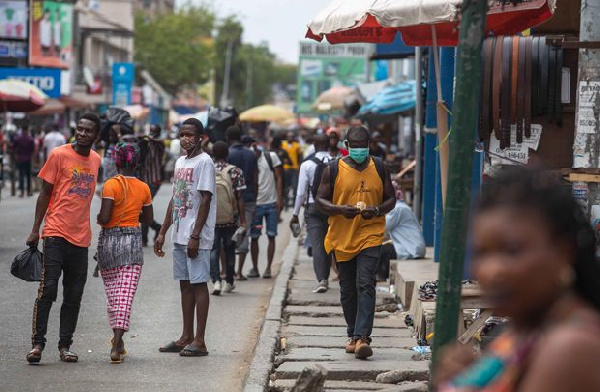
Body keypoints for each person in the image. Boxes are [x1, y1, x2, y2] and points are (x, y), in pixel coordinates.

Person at [434, 167, 600, 392]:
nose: (493, 271)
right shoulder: (523, 336)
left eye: (512, 251)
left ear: (563, 252)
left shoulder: (569, 348)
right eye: (481, 253)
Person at [25, 113, 102, 364]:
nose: (82, 133)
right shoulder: (58, 154)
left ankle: (65, 346)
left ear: (95, 135)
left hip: (81, 238)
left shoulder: (96, 160)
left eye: (87, 130)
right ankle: (37, 344)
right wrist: (36, 228)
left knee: (74, 295)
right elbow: (45, 193)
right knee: (47, 289)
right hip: (55, 232)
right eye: (79, 129)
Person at [316, 125, 395, 360]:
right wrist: (340, 210)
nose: (359, 151)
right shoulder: (332, 169)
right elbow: (320, 199)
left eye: (363, 147)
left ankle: (363, 338)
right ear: (346, 147)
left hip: (370, 233)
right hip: (342, 236)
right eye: (355, 147)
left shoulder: (379, 167)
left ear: (369, 145)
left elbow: (391, 199)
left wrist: (377, 209)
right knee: (348, 289)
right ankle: (352, 334)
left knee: (366, 283)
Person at [154, 118, 215, 357]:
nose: (185, 139)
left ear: (201, 137)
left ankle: (200, 340)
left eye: (190, 135)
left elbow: (206, 200)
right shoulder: (180, 161)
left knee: (199, 284)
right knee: (185, 285)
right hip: (179, 233)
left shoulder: (205, 162)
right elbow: (175, 197)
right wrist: (162, 231)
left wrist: (196, 235)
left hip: (195, 236)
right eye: (182, 134)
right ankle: (185, 336)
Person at [96, 142, 153, 364]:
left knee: (113, 295)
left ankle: (117, 341)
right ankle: (116, 343)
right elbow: (148, 219)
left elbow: (105, 218)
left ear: (117, 161)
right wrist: (131, 218)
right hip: (132, 242)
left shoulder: (111, 185)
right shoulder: (144, 188)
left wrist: (100, 219)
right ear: (137, 162)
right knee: (125, 296)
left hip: (108, 243)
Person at [291, 134, 331, 293]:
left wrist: (295, 214)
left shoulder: (307, 164)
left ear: (314, 145)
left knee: (317, 245)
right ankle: (334, 275)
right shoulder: (338, 163)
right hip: (333, 208)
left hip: (313, 207)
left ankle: (322, 279)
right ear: (329, 145)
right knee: (332, 243)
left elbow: (301, 192)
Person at [210, 141, 246, 295]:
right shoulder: (235, 171)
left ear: (213, 154)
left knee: (213, 249)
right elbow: (239, 197)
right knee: (230, 248)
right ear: (227, 154)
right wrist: (243, 219)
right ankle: (229, 281)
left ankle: (216, 281)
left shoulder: (207, 169)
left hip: (211, 218)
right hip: (230, 218)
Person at [226, 126, 258, 280]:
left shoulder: (228, 154)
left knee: (227, 232)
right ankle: (239, 272)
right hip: (249, 198)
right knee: (244, 233)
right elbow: (255, 177)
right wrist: (255, 197)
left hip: (230, 200)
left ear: (228, 138)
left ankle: (226, 271)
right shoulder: (251, 154)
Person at [378, 181, 426, 280]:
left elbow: (381, 228)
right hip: (413, 247)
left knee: (379, 250)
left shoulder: (397, 209)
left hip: (411, 249)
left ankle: (381, 276)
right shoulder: (401, 207)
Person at [250, 142, 283, 278]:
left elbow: (279, 176)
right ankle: (255, 268)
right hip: (256, 206)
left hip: (271, 204)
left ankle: (268, 268)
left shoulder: (271, 157)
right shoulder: (250, 160)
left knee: (271, 235)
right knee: (255, 237)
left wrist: (279, 198)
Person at [138, 124, 166, 246]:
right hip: (144, 180)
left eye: (154, 132)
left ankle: (144, 238)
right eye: (151, 131)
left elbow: (158, 141)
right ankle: (155, 228)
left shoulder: (160, 144)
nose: (152, 134)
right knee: (143, 208)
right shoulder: (145, 144)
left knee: (145, 207)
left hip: (155, 180)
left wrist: (147, 137)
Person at [282, 131, 302, 209]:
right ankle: (286, 203)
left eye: (292, 136)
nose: (290, 137)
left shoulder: (297, 145)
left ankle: (294, 202)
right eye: (289, 136)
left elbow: (300, 156)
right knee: (286, 187)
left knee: (295, 186)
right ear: (286, 137)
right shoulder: (283, 144)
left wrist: (299, 166)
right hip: (285, 168)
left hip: (294, 168)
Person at [12, 127, 35, 197]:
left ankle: (22, 192)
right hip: (28, 159)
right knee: (28, 176)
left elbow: (14, 148)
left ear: (22, 131)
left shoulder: (18, 139)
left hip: (20, 159)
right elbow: (33, 150)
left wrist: (15, 156)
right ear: (27, 131)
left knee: (21, 175)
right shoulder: (30, 139)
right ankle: (28, 192)